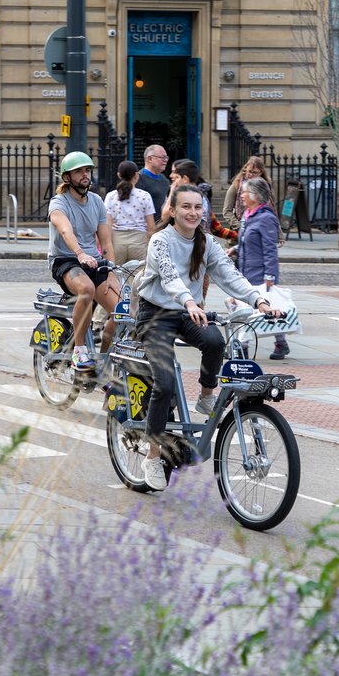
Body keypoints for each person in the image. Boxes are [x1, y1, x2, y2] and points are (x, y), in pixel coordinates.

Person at [134, 184, 285, 492]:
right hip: (157, 313)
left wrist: (259, 301)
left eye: (198, 207)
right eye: (186, 207)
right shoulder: (160, 241)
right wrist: (189, 301)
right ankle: (152, 455)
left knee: (216, 341)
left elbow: (229, 275)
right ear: (173, 211)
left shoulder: (207, 243)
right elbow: (169, 277)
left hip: (186, 312)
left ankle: (205, 396)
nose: (193, 213)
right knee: (163, 382)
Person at [47, 150, 120, 371]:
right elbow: (66, 231)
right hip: (66, 260)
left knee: (123, 311)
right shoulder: (58, 203)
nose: (85, 175)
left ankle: (104, 362)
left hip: (94, 261)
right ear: (67, 177)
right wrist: (80, 253)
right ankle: (79, 351)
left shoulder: (97, 201)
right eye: (78, 171)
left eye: (87, 170)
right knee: (86, 289)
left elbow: (106, 242)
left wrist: (112, 272)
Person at [234, 177, 290, 360]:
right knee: (259, 308)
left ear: (255, 195)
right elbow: (248, 242)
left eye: (244, 192)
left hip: (260, 273)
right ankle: (281, 343)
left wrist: (270, 276)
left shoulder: (266, 218)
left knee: (256, 308)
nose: (241, 195)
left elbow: (269, 249)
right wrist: (233, 249)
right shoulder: (248, 215)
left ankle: (243, 347)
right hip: (246, 270)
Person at [103, 160, 156, 264]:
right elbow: (151, 226)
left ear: (119, 175)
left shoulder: (111, 196)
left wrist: (106, 246)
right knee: (138, 276)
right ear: (136, 175)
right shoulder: (145, 196)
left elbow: (108, 225)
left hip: (117, 241)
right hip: (139, 241)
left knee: (117, 275)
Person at [221, 156, 273, 232]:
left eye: (255, 172)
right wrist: (240, 227)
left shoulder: (264, 187)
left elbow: (271, 209)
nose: (251, 175)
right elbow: (227, 211)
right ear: (245, 170)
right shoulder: (237, 184)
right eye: (249, 171)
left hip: (260, 230)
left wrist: (280, 235)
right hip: (238, 233)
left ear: (261, 173)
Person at [136, 144, 171, 219]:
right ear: (149, 159)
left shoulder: (164, 179)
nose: (165, 160)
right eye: (162, 157)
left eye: (166, 157)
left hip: (163, 226)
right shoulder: (138, 179)